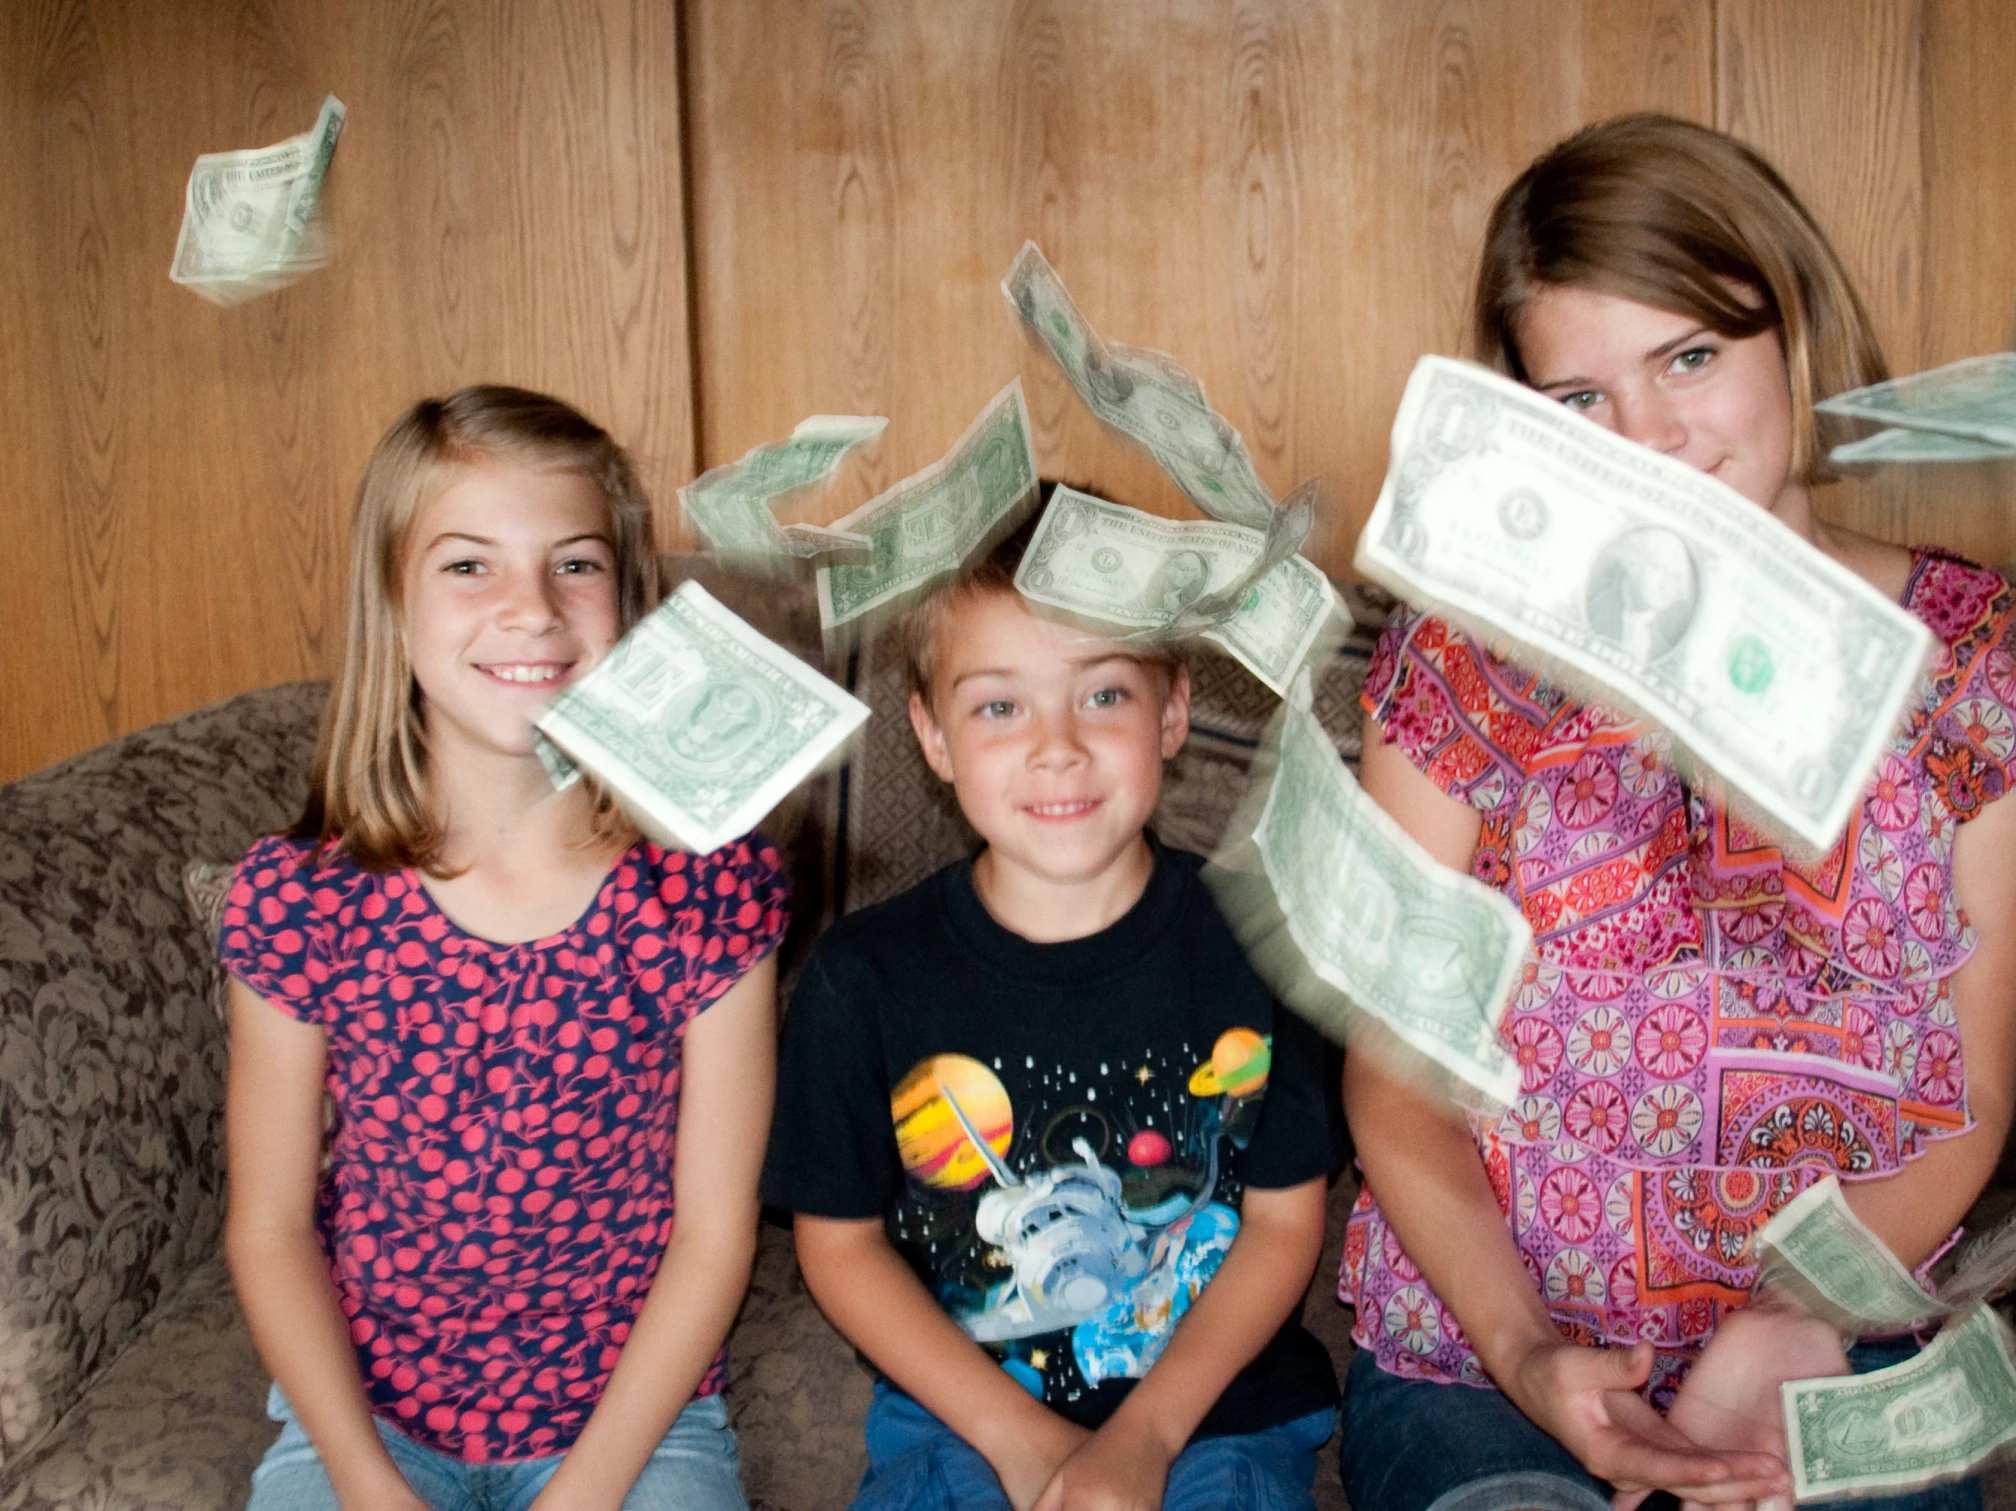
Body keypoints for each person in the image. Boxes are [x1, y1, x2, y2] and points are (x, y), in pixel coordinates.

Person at [1335, 114, 2016, 1511]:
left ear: (1790, 328)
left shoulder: (1983, 663)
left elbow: (1969, 1090)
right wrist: (1528, 1350)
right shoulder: (1453, 667)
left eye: (1687, 356)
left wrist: (1791, 1317)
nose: (1648, 439)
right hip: (1496, 1354)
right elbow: (1396, 1077)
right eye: (1578, 399)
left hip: (1832, 1336)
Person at [220, 387, 788, 1511]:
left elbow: (715, 1235)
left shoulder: (710, 887)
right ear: (392, 598)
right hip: (364, 1423)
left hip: (636, 1427)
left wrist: (582, 1494)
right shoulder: (299, 899)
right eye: (468, 565)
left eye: (573, 565)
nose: (530, 610)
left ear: (627, 604)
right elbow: (272, 1226)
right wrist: (368, 1482)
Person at [763, 505, 1341, 1511]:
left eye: (1103, 693)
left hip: (1221, 1419)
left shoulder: (1265, 940)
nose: (1059, 747)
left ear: (1171, 712)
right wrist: (1019, 1437)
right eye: (999, 707)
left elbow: (1285, 1223)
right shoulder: (862, 975)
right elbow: (839, 1243)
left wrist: (1147, 1438)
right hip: (960, 1425)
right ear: (932, 736)